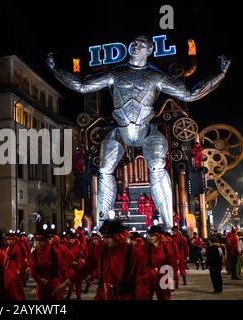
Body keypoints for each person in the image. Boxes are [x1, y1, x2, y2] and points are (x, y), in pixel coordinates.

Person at [47, 36, 231, 231]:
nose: (134, 46)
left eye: (140, 44)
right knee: (103, 170)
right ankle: (100, 226)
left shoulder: (156, 76)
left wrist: (221, 73)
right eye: (133, 43)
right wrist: (54, 69)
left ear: (149, 50)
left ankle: (169, 226)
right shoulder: (116, 73)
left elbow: (189, 94)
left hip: (147, 130)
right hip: (120, 131)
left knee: (158, 167)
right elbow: (82, 86)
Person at [53, 220, 150, 300]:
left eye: (109, 237)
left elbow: (141, 281)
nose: (105, 240)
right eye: (104, 237)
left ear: (119, 236)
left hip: (125, 297)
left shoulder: (134, 253)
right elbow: (86, 268)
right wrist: (66, 284)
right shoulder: (101, 249)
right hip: (103, 295)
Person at [29, 229, 68, 300]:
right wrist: (39, 279)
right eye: (37, 240)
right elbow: (33, 270)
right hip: (41, 285)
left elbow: (63, 269)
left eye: (42, 241)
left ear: (46, 241)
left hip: (54, 283)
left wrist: (65, 284)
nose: (39, 243)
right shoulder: (34, 254)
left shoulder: (54, 252)